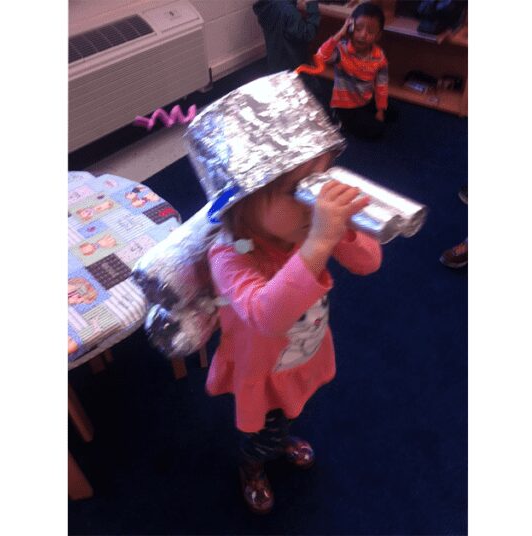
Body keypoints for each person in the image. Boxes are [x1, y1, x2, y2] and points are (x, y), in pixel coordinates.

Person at [183, 71, 383, 514]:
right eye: (299, 190)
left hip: (304, 353)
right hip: (261, 368)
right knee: (263, 433)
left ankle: (280, 439)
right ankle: (251, 466)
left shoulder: (301, 231)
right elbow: (267, 315)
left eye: (321, 179)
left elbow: (369, 263)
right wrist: (317, 244)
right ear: (242, 201)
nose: (316, 201)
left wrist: (343, 231)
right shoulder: (230, 255)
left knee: (291, 412)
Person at [315, 2, 391, 140]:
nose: (363, 35)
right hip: (345, 106)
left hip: (365, 99)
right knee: (377, 131)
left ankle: (370, 115)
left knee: (391, 111)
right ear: (350, 27)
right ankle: (341, 121)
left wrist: (380, 110)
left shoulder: (379, 56)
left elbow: (382, 86)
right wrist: (340, 32)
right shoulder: (341, 50)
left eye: (371, 31)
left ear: (378, 35)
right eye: (358, 28)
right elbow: (321, 56)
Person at [252, 0, 321, 74]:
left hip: (276, 65)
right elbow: (307, 34)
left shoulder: (268, 5)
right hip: (294, 68)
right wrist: (313, 7)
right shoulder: (288, 12)